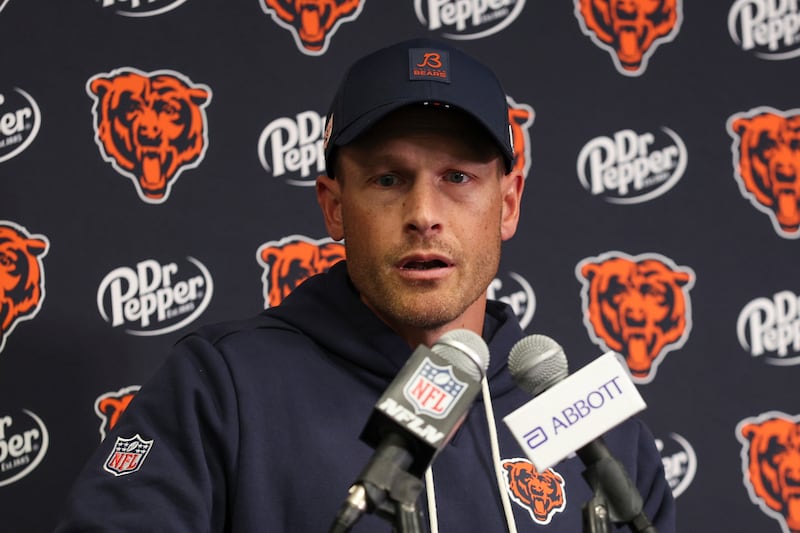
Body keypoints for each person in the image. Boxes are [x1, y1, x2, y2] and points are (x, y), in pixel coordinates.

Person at [54, 38, 675, 532]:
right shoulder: (223, 386)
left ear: (508, 203)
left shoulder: (590, 419)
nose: (424, 214)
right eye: (387, 179)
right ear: (334, 207)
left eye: (457, 177)